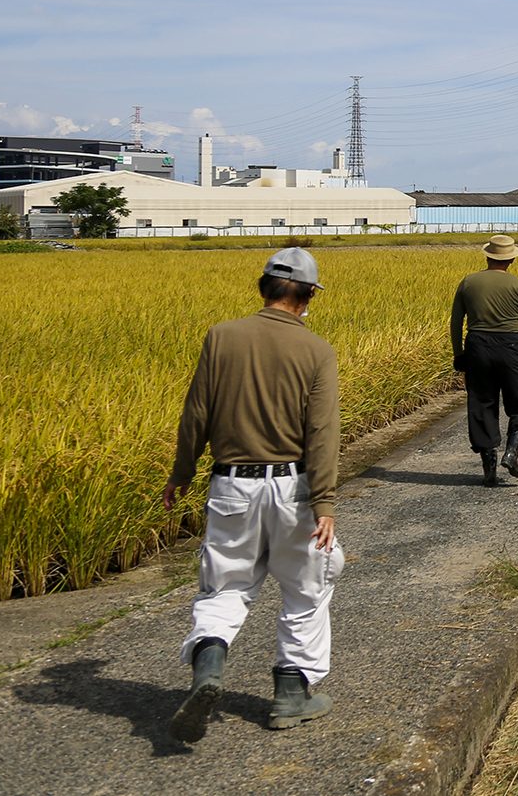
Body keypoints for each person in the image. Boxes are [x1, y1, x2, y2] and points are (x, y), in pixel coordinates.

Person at [163, 246, 343, 745]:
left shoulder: (221, 337)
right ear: (308, 296)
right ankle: (290, 695)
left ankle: (208, 671)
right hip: (293, 488)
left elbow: (196, 412)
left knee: (224, 587)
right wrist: (323, 503)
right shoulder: (316, 350)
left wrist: (180, 472)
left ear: (262, 288)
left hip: (230, 486)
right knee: (307, 586)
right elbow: (323, 431)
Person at [450, 234, 518, 487]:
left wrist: (459, 354)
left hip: (477, 346)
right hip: (511, 347)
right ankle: (511, 453)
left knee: (481, 404)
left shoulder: (468, 282)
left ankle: (489, 468)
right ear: (511, 258)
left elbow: (456, 322)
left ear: (488, 256)